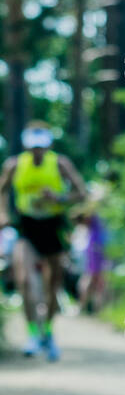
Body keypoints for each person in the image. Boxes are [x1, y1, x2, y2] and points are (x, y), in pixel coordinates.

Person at [0, 121, 87, 359]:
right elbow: (2, 190)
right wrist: (3, 214)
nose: (37, 152)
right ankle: (31, 333)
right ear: (27, 147)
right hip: (26, 227)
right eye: (33, 148)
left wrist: (58, 197)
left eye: (41, 148)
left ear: (47, 146)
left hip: (53, 226)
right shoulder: (14, 164)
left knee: (53, 284)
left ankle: (47, 332)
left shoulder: (60, 164)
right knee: (25, 280)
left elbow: (82, 193)